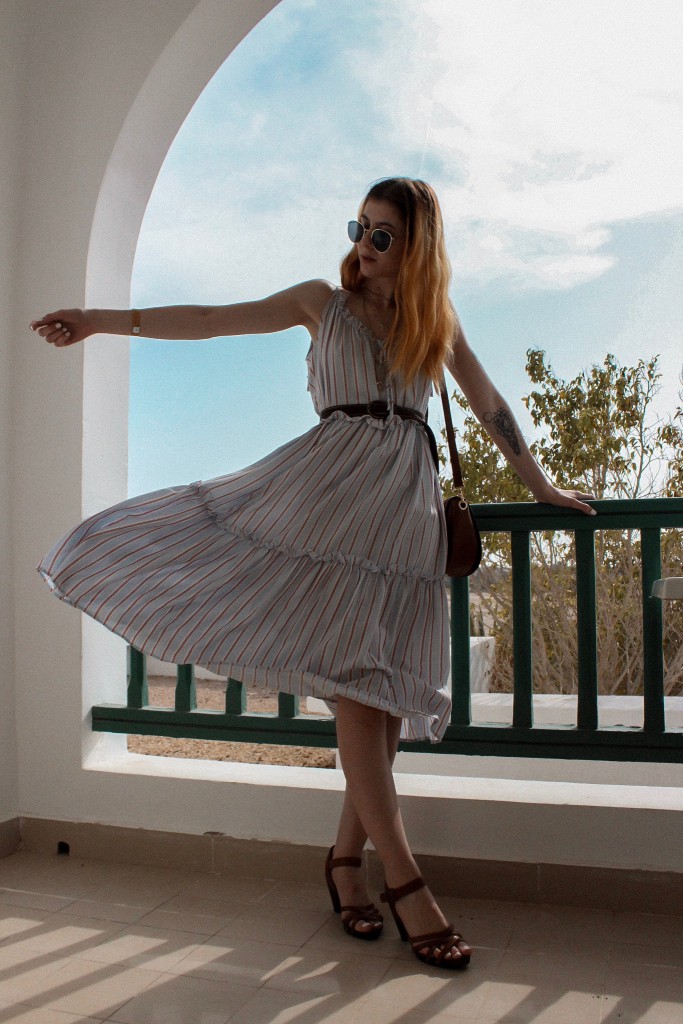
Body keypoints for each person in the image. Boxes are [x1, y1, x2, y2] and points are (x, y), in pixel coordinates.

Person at [31, 177, 595, 970]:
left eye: (384, 234)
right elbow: (209, 321)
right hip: (326, 502)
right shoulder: (318, 303)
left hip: (403, 522)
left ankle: (342, 864)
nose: (364, 245)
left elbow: (487, 401)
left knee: (387, 705)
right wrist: (99, 322)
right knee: (361, 700)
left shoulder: (433, 324)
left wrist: (537, 483)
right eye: (360, 227)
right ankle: (406, 883)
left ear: (417, 246)